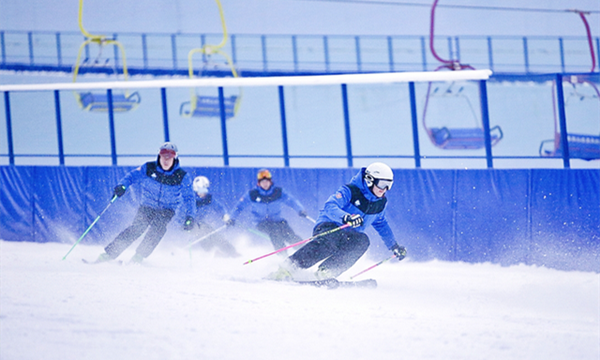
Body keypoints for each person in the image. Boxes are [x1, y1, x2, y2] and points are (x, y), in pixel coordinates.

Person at [268, 162, 407, 280]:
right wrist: (346, 217)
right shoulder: (350, 191)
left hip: (349, 235)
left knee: (363, 241)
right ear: (370, 180)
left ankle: (326, 272)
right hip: (330, 226)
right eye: (382, 184)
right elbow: (330, 206)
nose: (385, 189)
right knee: (330, 241)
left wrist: (393, 246)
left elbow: (381, 224)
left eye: (389, 185)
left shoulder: (380, 203)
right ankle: (289, 267)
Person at [93, 142, 196, 264]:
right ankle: (109, 254)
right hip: (147, 205)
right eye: (164, 155)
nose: (166, 160)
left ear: (175, 157)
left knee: (158, 228)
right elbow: (131, 176)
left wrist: (190, 217)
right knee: (137, 228)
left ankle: (138, 257)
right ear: (159, 155)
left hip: (167, 209)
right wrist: (122, 186)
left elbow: (189, 198)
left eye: (170, 156)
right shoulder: (149, 168)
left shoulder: (182, 176)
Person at [227, 169, 308, 253]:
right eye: (262, 182)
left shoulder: (278, 192)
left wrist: (300, 210)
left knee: (289, 234)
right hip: (261, 222)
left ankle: (306, 251)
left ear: (270, 182)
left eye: (267, 182)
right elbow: (239, 206)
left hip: (278, 220)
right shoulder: (253, 194)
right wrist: (231, 218)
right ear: (259, 183)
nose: (265, 184)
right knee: (275, 232)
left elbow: (291, 201)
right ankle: (283, 256)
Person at [189, 175, 239, 257]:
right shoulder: (190, 198)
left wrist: (225, 217)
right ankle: (211, 252)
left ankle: (231, 251)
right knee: (201, 233)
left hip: (200, 223)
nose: (204, 192)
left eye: (205, 190)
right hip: (188, 223)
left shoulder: (207, 198)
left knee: (213, 234)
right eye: (201, 190)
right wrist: (187, 220)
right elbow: (181, 211)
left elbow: (219, 208)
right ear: (196, 189)